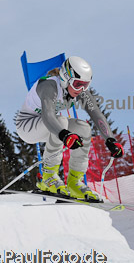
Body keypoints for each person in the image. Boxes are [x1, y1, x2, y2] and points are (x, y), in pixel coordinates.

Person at [15, 56, 124, 202]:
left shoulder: (79, 92)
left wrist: (110, 140)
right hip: (27, 126)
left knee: (83, 128)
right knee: (61, 121)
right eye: (78, 84)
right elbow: (48, 115)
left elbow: (96, 114)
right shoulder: (49, 86)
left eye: (86, 85)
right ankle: (48, 178)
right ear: (66, 78)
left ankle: (74, 182)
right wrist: (65, 135)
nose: (81, 90)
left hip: (52, 125)